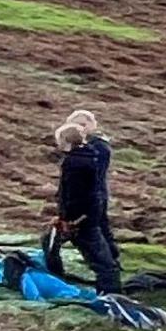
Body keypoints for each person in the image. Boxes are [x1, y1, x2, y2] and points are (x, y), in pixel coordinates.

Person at [50, 111, 120, 292]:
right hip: (82, 215)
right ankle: (56, 277)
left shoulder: (75, 163)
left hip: (80, 219)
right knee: (50, 244)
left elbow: (74, 194)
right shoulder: (87, 156)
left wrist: (70, 218)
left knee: (101, 257)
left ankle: (111, 293)